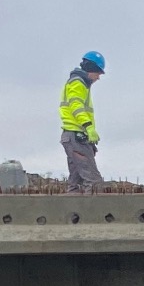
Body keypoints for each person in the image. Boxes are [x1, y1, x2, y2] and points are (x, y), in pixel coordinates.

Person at [59, 51, 106, 192]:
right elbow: (76, 106)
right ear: (91, 69)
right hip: (76, 136)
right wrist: (88, 126)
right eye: (98, 73)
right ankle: (92, 214)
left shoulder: (79, 83)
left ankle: (70, 213)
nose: (98, 78)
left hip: (72, 137)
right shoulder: (78, 83)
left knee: (76, 182)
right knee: (93, 182)